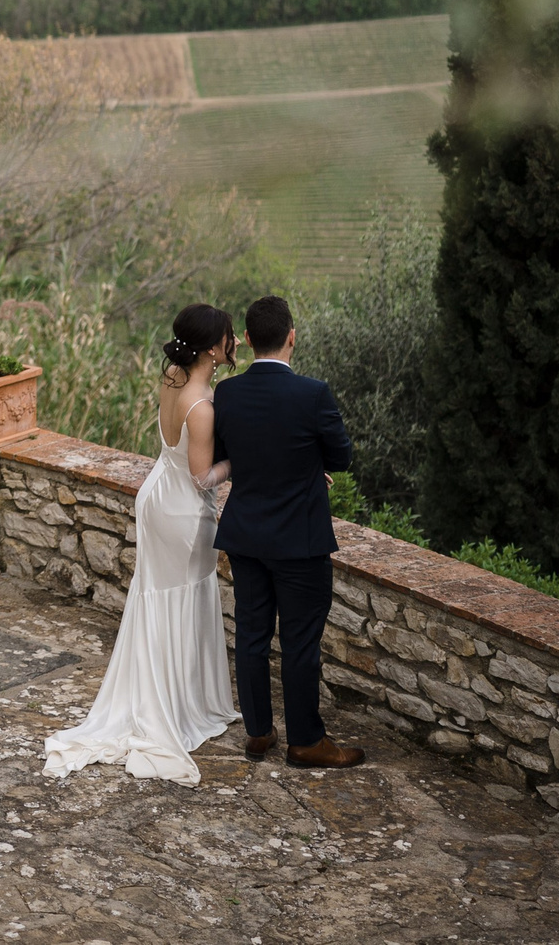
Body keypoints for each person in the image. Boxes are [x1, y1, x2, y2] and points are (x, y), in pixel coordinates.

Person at [41, 303, 240, 785]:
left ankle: (166, 696)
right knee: (183, 595)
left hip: (156, 495)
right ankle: (175, 705)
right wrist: (241, 462)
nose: (235, 342)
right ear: (214, 348)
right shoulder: (201, 404)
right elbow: (201, 477)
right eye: (229, 336)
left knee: (158, 597)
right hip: (182, 511)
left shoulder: (172, 376)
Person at [211, 294, 367, 769]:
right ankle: (305, 741)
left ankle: (258, 733)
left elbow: (230, 451)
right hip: (300, 540)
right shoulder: (313, 393)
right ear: (292, 337)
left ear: (251, 340)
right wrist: (307, 466)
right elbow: (339, 458)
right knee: (300, 642)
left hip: (246, 534)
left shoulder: (228, 393)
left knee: (252, 635)